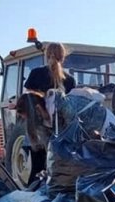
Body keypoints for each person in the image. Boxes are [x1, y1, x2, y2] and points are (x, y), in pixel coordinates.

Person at [20, 42, 75, 184]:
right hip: (61, 131)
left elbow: (28, 99)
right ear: (63, 57)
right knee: (58, 166)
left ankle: (36, 191)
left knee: (37, 167)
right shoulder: (69, 80)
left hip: (37, 127)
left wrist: (42, 112)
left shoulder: (36, 74)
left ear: (46, 55)